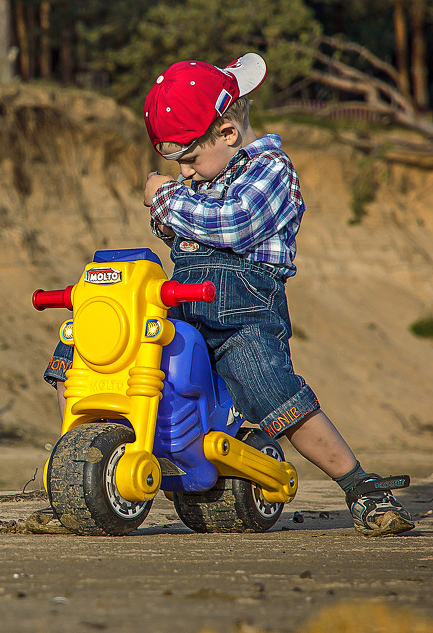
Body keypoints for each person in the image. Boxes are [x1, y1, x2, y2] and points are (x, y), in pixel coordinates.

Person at [138, 52, 414, 536]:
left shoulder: (270, 170)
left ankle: (361, 487)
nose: (183, 173)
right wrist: (174, 205)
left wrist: (164, 197)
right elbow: (175, 227)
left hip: (243, 317)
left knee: (276, 396)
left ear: (226, 133)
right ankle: (79, 466)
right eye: (176, 164)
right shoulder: (202, 180)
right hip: (184, 305)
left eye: (189, 159)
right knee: (92, 348)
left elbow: (232, 224)